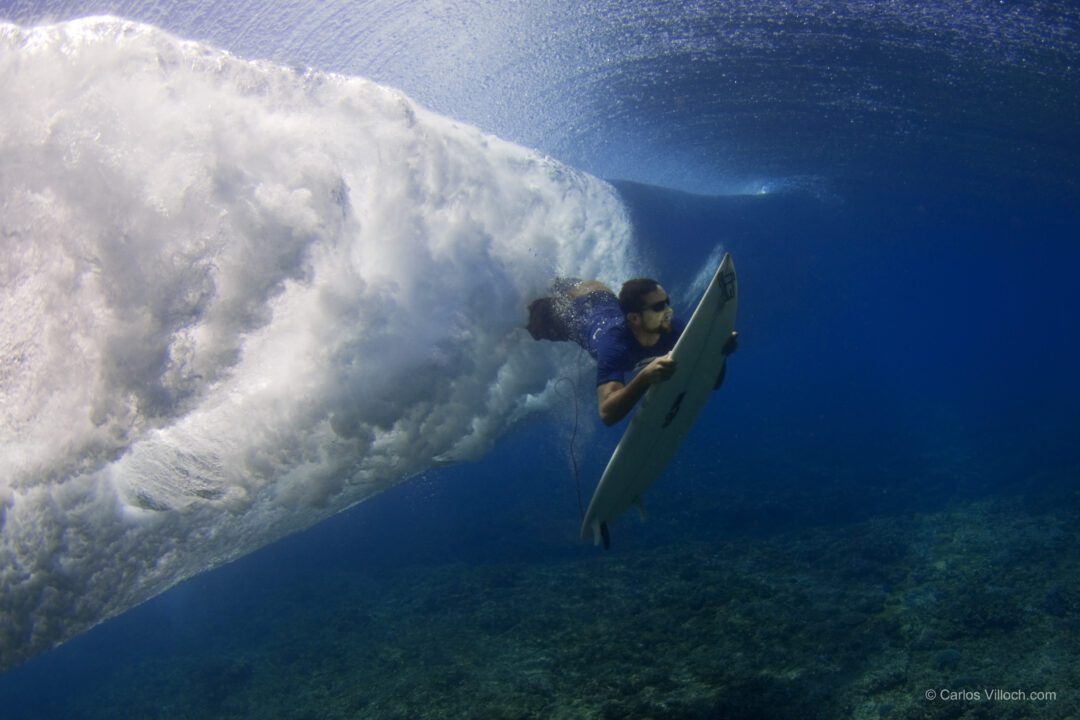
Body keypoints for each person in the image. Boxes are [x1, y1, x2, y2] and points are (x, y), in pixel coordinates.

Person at [527, 277, 737, 425]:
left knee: (557, 283)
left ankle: (551, 281)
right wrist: (643, 378)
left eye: (666, 304)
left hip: (599, 294)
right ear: (635, 318)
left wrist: (719, 351)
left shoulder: (671, 327)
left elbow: (713, 382)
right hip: (571, 314)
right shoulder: (614, 346)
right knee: (528, 321)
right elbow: (606, 413)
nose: (668, 312)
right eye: (658, 308)